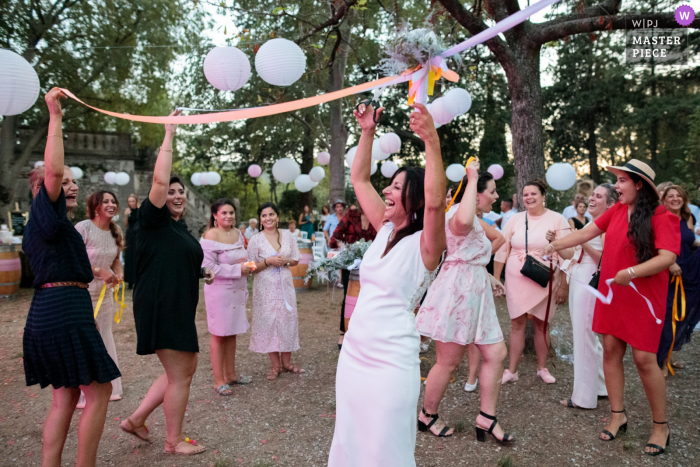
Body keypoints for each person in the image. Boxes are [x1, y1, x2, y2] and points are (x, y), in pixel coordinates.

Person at [328, 101, 446, 466]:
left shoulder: (427, 244)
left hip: (392, 359)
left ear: (414, 197)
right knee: (349, 436)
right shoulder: (385, 229)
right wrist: (367, 132)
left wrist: (431, 141)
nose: (387, 190)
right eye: (389, 185)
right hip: (355, 353)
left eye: (397, 186)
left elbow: (436, 204)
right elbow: (359, 179)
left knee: (384, 446)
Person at [544, 159, 679, 455]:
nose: (615, 187)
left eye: (621, 181)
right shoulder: (616, 211)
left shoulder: (662, 216)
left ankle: (660, 426)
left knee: (644, 359)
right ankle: (618, 415)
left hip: (643, 298)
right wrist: (553, 246)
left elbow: (667, 257)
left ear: (639, 184)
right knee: (610, 349)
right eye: (616, 181)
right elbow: (585, 234)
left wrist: (630, 273)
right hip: (612, 295)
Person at [22, 88, 119, 467]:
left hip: (52, 310)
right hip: (63, 313)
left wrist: (97, 270)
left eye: (73, 181)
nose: (71, 185)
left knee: (64, 396)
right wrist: (56, 117)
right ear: (42, 190)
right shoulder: (44, 213)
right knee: (99, 391)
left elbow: (63, 266)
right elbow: (51, 169)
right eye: (64, 182)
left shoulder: (54, 226)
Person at [121, 110, 214, 456]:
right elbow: (158, 184)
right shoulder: (152, 219)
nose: (176, 195)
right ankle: (173, 441)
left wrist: (202, 272)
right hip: (161, 303)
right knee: (181, 372)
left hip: (175, 303)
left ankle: (136, 421)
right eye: (171, 191)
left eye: (181, 192)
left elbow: (179, 261)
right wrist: (169, 134)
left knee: (181, 369)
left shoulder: (179, 229)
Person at [416, 166, 514, 444]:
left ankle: (487, 417)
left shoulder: (473, 216)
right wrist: (471, 179)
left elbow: (478, 248)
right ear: (477, 194)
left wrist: (483, 272)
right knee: (449, 361)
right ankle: (427, 414)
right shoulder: (457, 215)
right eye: (492, 192)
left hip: (476, 290)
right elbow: (460, 228)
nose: (496, 197)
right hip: (457, 292)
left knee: (496, 353)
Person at [494, 180, 573, 385]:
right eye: (525, 194)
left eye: (533, 194)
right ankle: (512, 370)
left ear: (543, 196)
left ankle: (542, 368)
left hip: (544, 277)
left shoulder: (557, 219)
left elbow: (568, 253)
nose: (528, 198)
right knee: (516, 323)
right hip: (517, 276)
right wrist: (496, 278)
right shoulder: (515, 219)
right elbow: (503, 249)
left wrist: (564, 284)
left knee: (542, 324)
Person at [557, 184, 617, 410]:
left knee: (583, 338)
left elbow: (604, 259)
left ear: (611, 204)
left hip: (590, 282)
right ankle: (600, 387)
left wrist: (581, 239)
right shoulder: (593, 224)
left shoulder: (604, 227)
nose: (592, 199)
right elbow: (573, 254)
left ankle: (583, 398)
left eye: (598, 196)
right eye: (592, 195)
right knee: (586, 337)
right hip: (579, 277)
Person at [75, 191, 125, 409]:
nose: (111, 204)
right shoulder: (83, 228)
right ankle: (82, 391)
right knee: (84, 339)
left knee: (104, 335)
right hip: (81, 292)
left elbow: (116, 261)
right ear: (95, 206)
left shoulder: (116, 230)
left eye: (113, 201)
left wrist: (118, 273)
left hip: (105, 295)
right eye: (105, 201)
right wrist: (98, 271)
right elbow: (74, 261)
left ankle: (110, 386)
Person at [201, 199, 253, 396]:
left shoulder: (237, 233)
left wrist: (249, 265)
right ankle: (218, 380)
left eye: (231, 212)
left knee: (232, 332)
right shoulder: (210, 236)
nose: (229, 216)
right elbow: (209, 268)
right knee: (219, 334)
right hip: (219, 290)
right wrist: (238, 268)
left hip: (238, 288)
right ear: (215, 215)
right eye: (224, 213)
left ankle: (231, 374)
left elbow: (242, 257)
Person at [247, 202, 303, 380]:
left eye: (271, 214)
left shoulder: (287, 236)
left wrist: (285, 261)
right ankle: (275, 365)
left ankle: (287, 363)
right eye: (264, 215)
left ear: (277, 217)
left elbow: (295, 260)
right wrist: (268, 262)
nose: (268, 218)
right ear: (260, 219)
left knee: (286, 320)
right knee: (268, 321)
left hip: (285, 286)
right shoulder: (256, 240)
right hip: (265, 287)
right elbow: (250, 267)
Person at [656, 185, 700, 372]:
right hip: (668, 270)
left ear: (684, 199)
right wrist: (669, 263)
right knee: (668, 315)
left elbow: (690, 243)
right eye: (670, 196)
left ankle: (669, 355)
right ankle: (661, 362)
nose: (675, 199)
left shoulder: (688, 217)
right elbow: (654, 244)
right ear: (664, 199)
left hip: (687, 269)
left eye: (678, 196)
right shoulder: (659, 218)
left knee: (682, 313)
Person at [329, 205, 378, 349]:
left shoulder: (377, 214)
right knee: (348, 298)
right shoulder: (351, 214)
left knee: (369, 299)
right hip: (350, 266)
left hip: (371, 265)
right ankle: (343, 332)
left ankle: (365, 333)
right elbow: (336, 236)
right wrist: (347, 251)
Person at [123, 194, 139, 289]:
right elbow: (126, 225)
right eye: (129, 201)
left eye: (133, 201)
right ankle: (129, 281)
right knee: (129, 256)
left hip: (137, 234)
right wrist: (126, 216)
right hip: (130, 235)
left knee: (136, 256)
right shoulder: (128, 211)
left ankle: (137, 279)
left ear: (136, 201)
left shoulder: (140, 211)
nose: (131, 203)